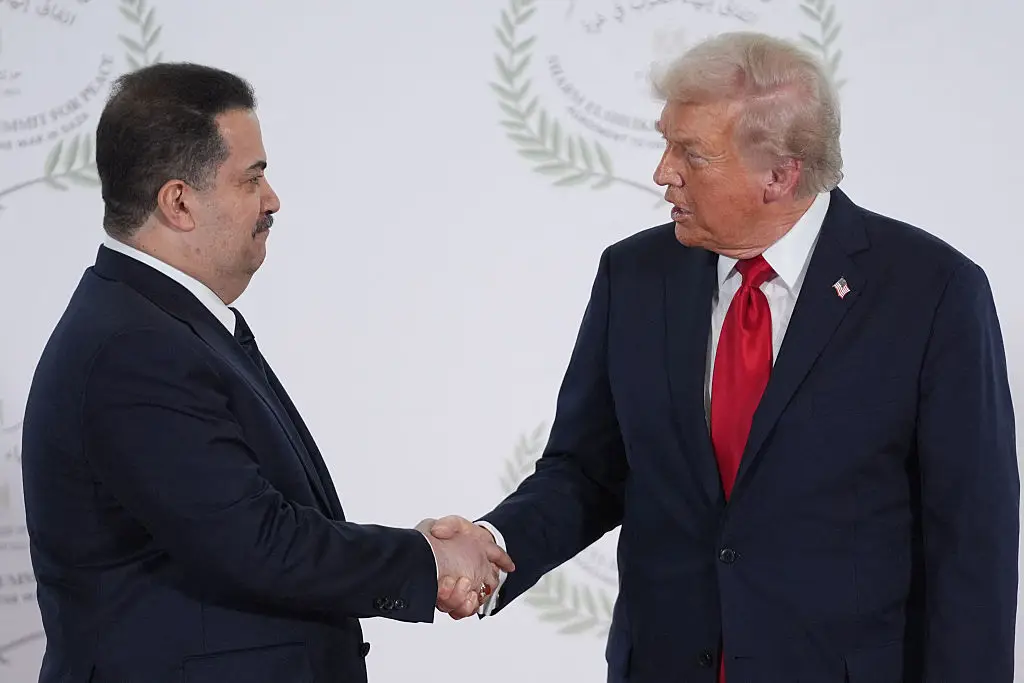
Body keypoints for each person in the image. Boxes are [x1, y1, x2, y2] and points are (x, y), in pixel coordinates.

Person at [428, 31, 1019, 682]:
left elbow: (972, 538)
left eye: (692, 153)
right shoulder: (635, 276)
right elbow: (586, 472)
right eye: (665, 142)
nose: (662, 172)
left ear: (780, 174)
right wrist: (492, 544)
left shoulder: (931, 291)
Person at [20, 62, 512, 683]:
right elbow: (254, 543)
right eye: (252, 179)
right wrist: (423, 561)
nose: (272, 200)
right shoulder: (135, 347)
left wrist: (418, 554)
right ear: (178, 202)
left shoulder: (168, 323)